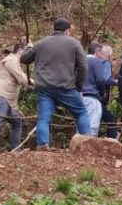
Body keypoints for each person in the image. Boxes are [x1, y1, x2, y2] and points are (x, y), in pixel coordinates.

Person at [21, 18, 89, 148]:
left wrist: (28, 48)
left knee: (44, 119)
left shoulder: (41, 43)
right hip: (67, 88)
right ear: (67, 30)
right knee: (81, 113)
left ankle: (43, 144)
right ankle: (86, 143)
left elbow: (24, 59)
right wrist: (79, 86)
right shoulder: (74, 43)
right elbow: (83, 67)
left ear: (54, 29)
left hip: (45, 88)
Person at [0, 42, 31, 151]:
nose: (29, 56)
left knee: (18, 120)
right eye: (28, 52)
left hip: (7, 101)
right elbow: (22, 79)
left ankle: (15, 150)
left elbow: (11, 91)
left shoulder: (15, 63)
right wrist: (38, 83)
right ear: (20, 50)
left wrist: (16, 109)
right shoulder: (10, 60)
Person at [82, 41, 119, 136]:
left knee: (82, 120)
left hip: (79, 96)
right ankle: (91, 144)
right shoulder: (98, 62)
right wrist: (102, 93)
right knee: (93, 124)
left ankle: (79, 144)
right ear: (97, 51)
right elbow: (101, 79)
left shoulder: (80, 60)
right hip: (92, 95)